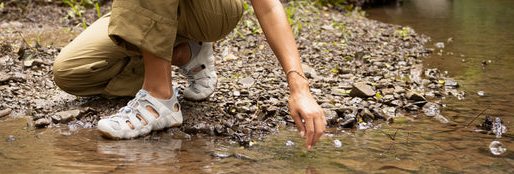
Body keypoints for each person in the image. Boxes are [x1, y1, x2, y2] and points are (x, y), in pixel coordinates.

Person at [52, 0, 326, 149]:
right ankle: (186, 53)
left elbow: (267, 6)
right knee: (72, 72)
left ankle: (159, 98)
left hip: (212, 9)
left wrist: (299, 86)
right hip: (153, 7)